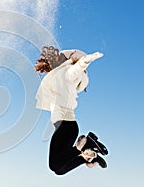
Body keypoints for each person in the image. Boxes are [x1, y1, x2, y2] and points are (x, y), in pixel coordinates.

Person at [35, 46, 108, 175]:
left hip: (65, 126)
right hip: (67, 127)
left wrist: (85, 60)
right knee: (58, 169)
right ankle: (88, 155)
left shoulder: (66, 74)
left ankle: (86, 146)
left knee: (56, 166)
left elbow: (76, 69)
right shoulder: (60, 81)